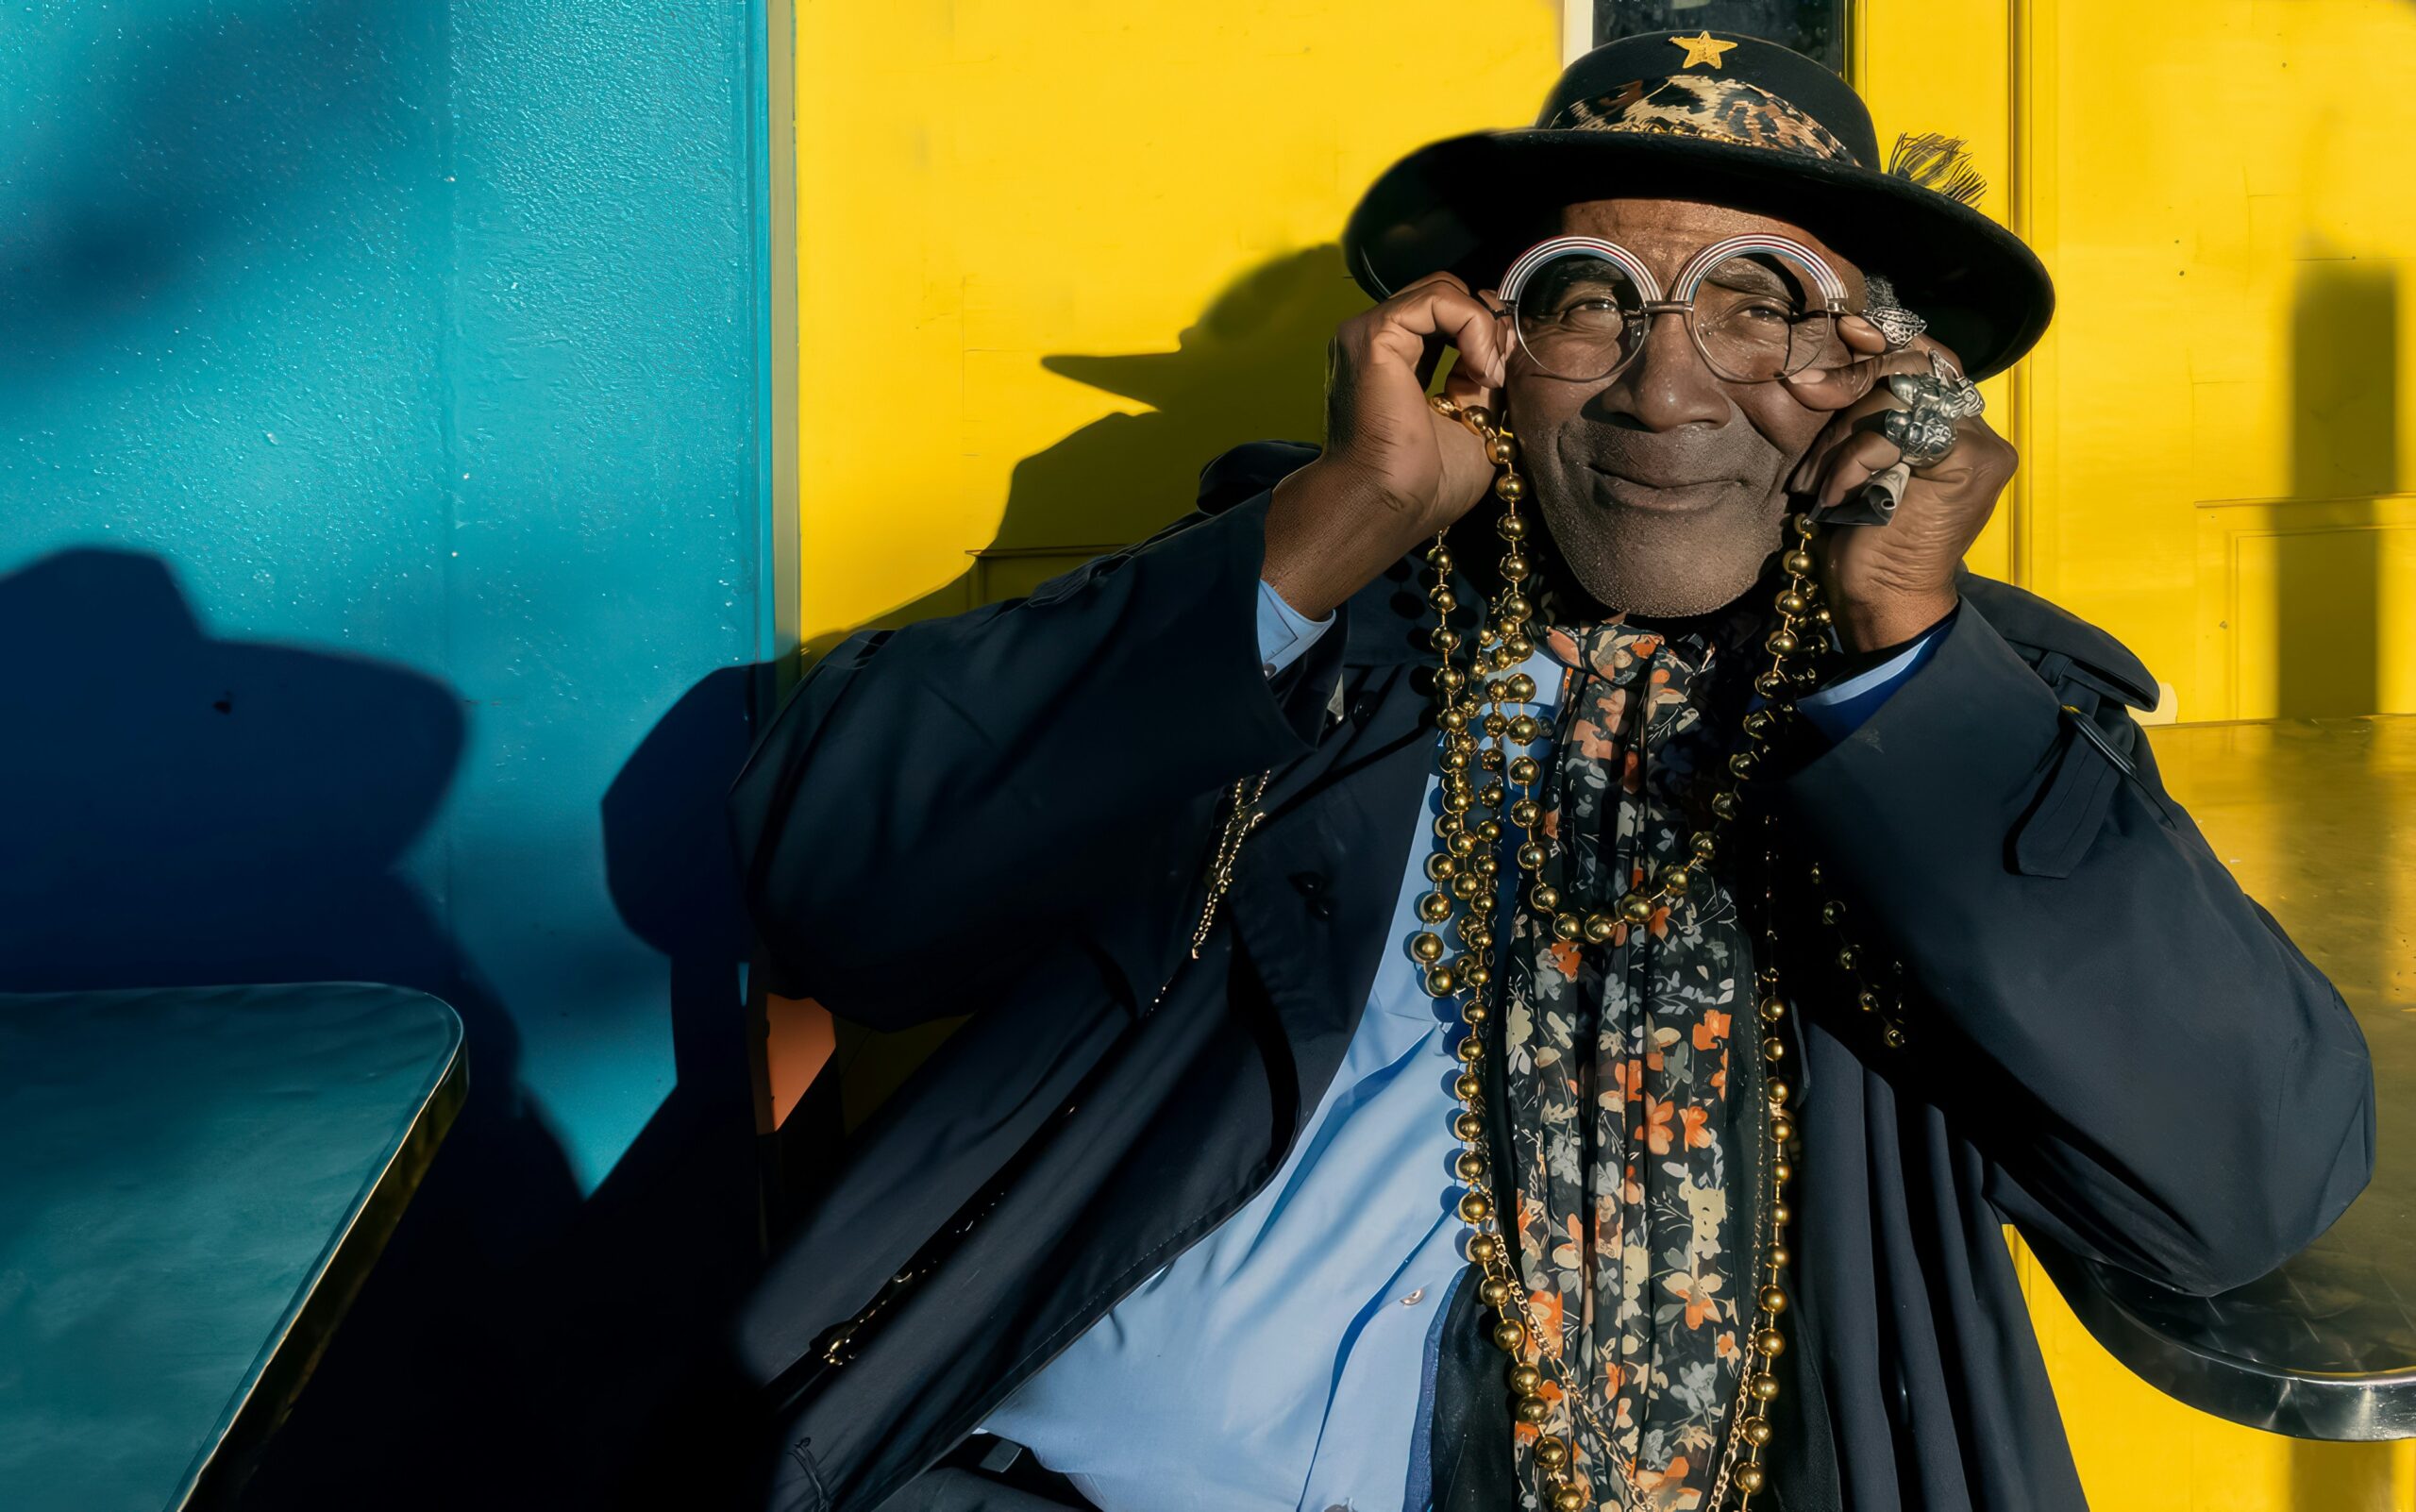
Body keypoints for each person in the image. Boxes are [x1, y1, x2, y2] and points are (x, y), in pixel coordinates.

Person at [726, 31, 2375, 1512]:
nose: (1667, 386)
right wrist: (1316, 536)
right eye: (1591, 299)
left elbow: (2244, 1181)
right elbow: (835, 887)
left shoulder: (1960, 700)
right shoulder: (1313, 619)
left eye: (1759, 302)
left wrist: (1908, 657)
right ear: (1483, 351)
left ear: (1886, 372)